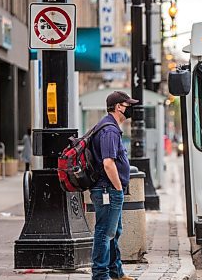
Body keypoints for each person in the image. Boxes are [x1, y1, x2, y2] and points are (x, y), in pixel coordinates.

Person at [89, 91, 138, 280]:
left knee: (113, 232)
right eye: (127, 105)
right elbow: (108, 163)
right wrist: (118, 188)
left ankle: (115, 272)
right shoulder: (109, 130)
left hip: (108, 189)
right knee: (104, 232)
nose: (129, 109)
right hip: (107, 189)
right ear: (118, 107)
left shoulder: (109, 126)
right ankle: (101, 275)